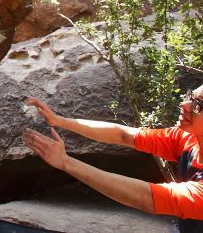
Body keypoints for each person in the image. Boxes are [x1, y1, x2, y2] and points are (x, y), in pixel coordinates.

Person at [23, 91, 203, 232]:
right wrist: (59, 121)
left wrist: (66, 162)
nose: (184, 104)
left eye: (198, 105)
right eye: (190, 97)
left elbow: (145, 197)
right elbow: (123, 135)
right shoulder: (188, 138)